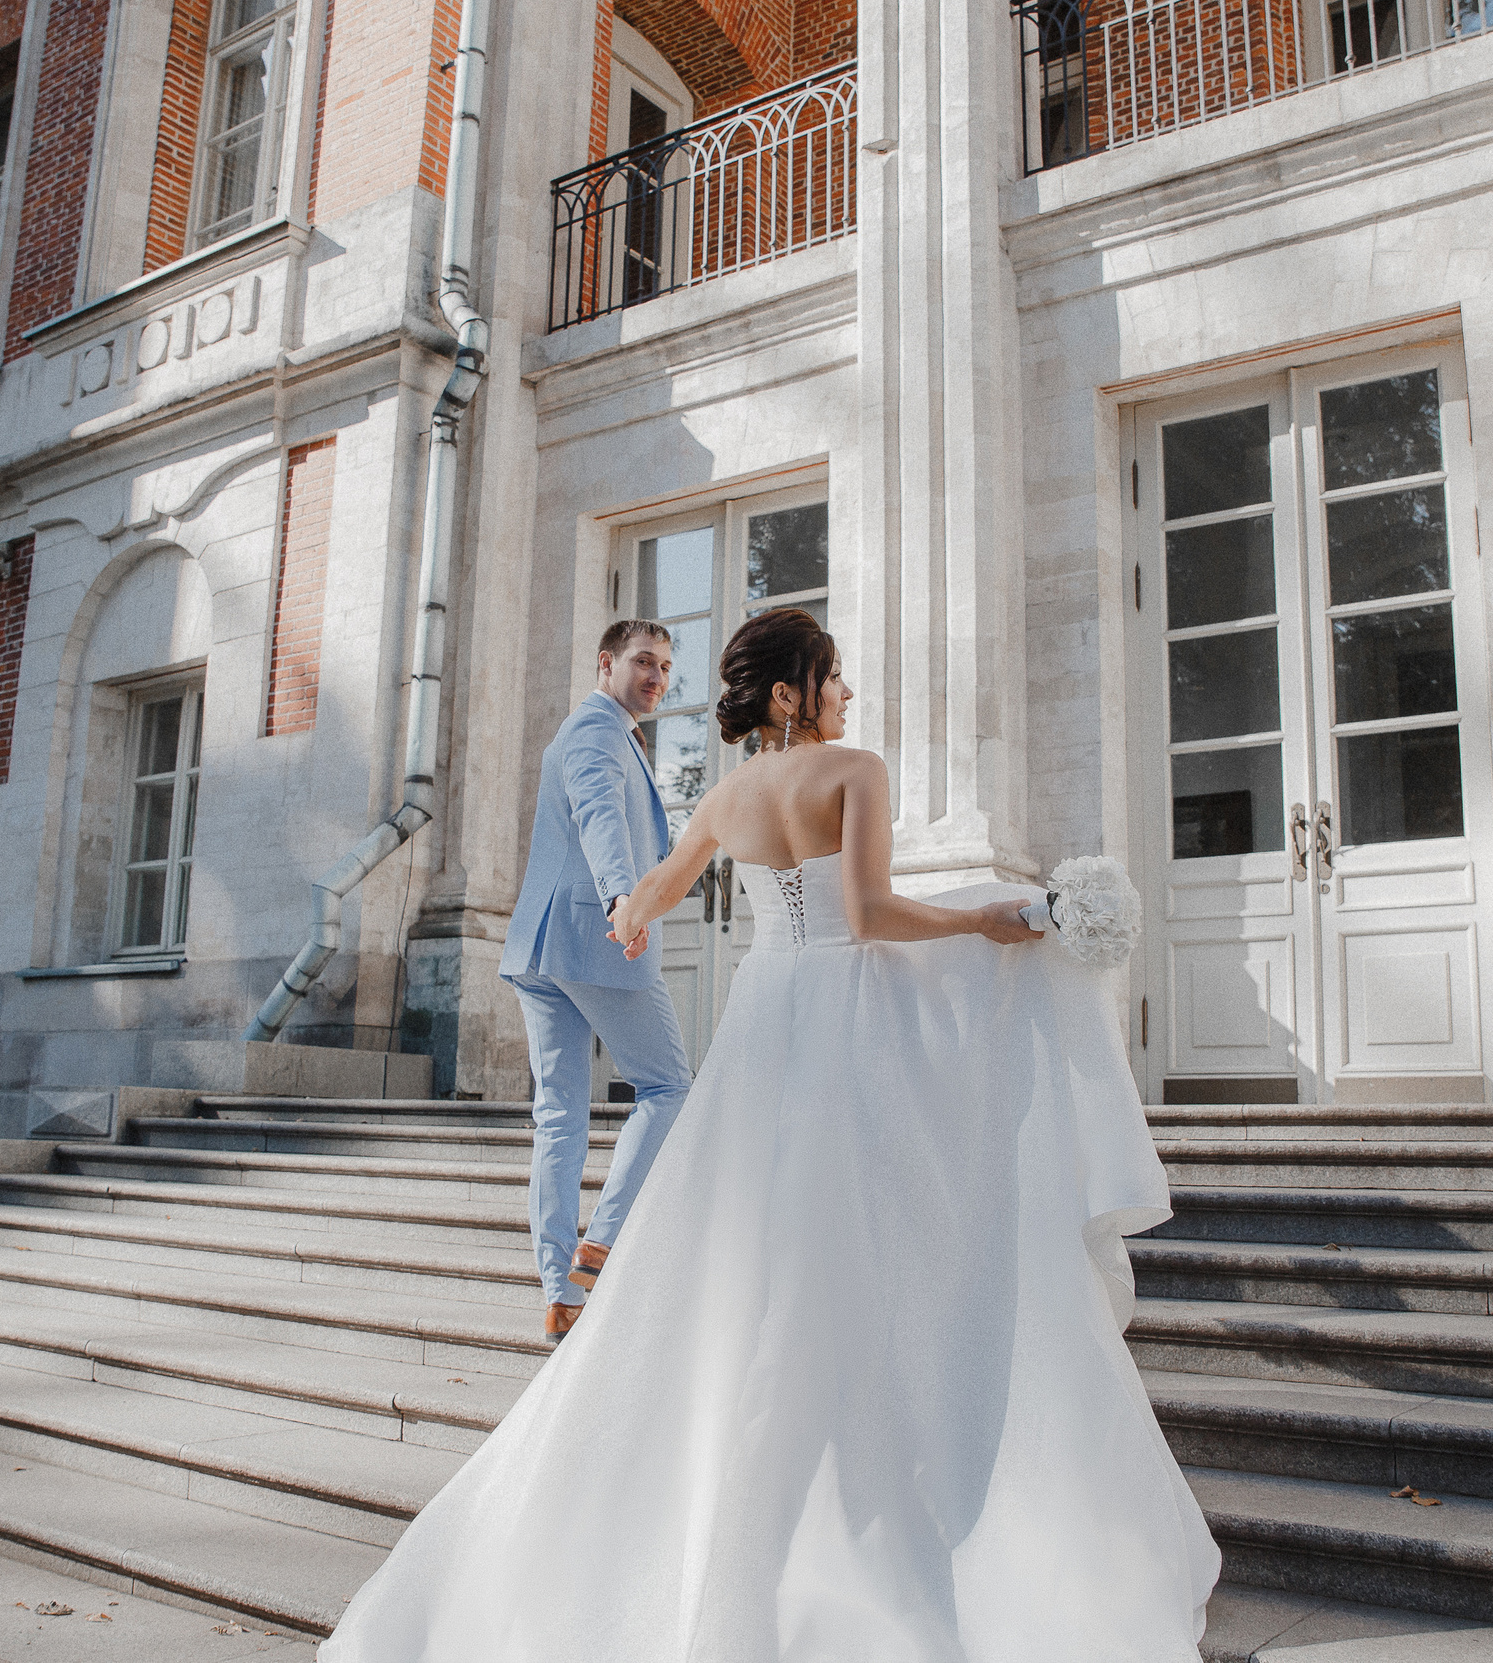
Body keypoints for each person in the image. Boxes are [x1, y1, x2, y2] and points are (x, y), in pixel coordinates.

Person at [324, 608, 1220, 1662]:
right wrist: (988, 917)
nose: (847, 695)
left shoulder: (724, 795)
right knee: (880, 1253)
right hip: (849, 1021)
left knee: (745, 1273)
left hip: (763, 1026)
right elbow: (873, 915)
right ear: (793, 693)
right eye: (833, 677)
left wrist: (623, 913)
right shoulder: (853, 772)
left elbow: (642, 902)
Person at [497, 618, 693, 1342]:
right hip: (595, 933)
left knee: (559, 1117)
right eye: (645, 661)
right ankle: (597, 1249)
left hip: (544, 945)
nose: (657, 677)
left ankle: (559, 1292)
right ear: (606, 661)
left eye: (668, 667)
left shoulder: (604, 731)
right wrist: (624, 898)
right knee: (669, 1085)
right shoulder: (596, 729)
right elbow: (599, 814)